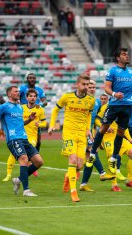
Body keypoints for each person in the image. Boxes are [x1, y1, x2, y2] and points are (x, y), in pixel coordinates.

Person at [86, 47, 132, 177]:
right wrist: (114, 94)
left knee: (121, 132)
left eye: (127, 54)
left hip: (127, 106)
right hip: (114, 105)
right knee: (104, 128)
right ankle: (93, 153)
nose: (127, 56)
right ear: (118, 58)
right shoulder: (112, 71)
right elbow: (106, 88)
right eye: (124, 54)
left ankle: (113, 158)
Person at [48, 74, 95, 202]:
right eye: (84, 84)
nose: (86, 87)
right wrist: (52, 125)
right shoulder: (67, 97)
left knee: (80, 164)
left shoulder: (91, 100)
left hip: (81, 134)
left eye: (87, 85)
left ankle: (68, 175)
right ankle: (73, 192)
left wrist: (88, 129)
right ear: (77, 84)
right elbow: (55, 110)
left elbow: (89, 115)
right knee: (73, 159)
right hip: (69, 132)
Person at [0, 86, 43, 197]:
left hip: (24, 138)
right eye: (16, 91)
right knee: (24, 159)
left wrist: (29, 119)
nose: (18, 93)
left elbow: (20, 124)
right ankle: (26, 190)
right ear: (9, 94)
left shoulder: (19, 107)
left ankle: (18, 180)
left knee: (39, 162)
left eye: (18, 91)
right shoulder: (4, 107)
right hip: (13, 139)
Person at [93, 100, 132, 191]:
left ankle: (130, 180)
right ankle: (114, 185)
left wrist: (129, 138)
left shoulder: (124, 107)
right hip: (108, 138)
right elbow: (96, 119)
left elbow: (123, 126)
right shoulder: (106, 107)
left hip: (119, 137)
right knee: (113, 158)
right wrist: (105, 125)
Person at [2, 89, 46, 182]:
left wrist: (40, 124)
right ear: (26, 98)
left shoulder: (40, 109)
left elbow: (45, 123)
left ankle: (23, 176)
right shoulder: (21, 108)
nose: (32, 98)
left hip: (32, 137)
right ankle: (9, 175)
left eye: (34, 96)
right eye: (30, 96)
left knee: (26, 156)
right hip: (20, 135)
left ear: (36, 98)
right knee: (13, 155)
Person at [80, 83, 114, 192]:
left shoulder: (97, 103)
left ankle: (83, 184)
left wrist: (104, 127)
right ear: (85, 88)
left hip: (90, 132)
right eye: (89, 87)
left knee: (89, 159)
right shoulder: (81, 101)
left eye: (93, 87)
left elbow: (95, 119)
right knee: (92, 153)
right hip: (80, 131)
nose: (92, 89)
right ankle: (102, 173)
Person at [19, 73, 47, 153]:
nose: (32, 79)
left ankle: (35, 156)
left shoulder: (39, 90)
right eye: (30, 78)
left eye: (33, 78)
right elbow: (17, 98)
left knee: (38, 140)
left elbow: (45, 101)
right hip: (24, 114)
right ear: (27, 80)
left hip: (35, 115)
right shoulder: (23, 88)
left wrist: (40, 104)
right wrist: (21, 106)